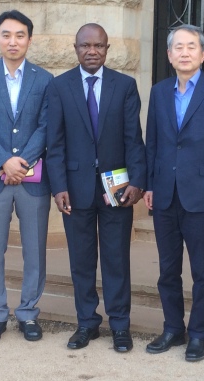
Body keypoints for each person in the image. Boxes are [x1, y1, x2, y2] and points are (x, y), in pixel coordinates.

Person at [45, 23, 147, 353]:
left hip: (117, 189)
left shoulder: (125, 86)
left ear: (107, 49)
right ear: (75, 49)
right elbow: (55, 143)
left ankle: (120, 325)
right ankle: (87, 322)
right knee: (82, 260)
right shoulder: (59, 87)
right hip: (74, 189)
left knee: (116, 258)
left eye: (99, 46)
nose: (92, 51)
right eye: (86, 46)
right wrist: (58, 186)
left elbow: (134, 140)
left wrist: (138, 182)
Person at [143, 24, 204, 362]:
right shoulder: (159, 91)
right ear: (168, 55)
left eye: (191, 46)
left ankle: (198, 333)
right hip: (165, 194)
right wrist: (150, 184)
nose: (184, 52)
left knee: (201, 270)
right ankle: (172, 328)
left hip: (202, 194)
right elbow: (152, 142)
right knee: (168, 269)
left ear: (203, 54)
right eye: (178, 47)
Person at [0, 10, 53, 344]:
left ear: (30, 40)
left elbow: (46, 125)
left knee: (35, 250)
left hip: (33, 182)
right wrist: (5, 160)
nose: (13, 41)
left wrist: (23, 161)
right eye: (6, 35)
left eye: (20, 35)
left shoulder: (44, 79)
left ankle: (29, 313)